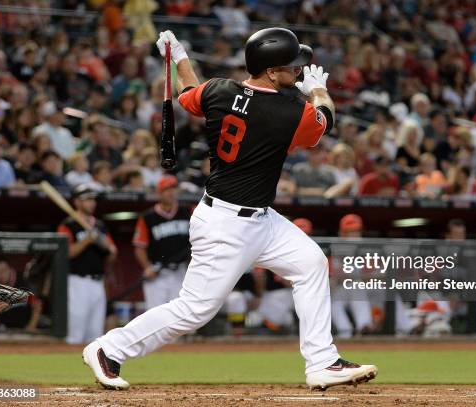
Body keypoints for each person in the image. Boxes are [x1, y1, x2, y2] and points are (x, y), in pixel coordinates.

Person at [83, 27, 376, 391]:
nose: (299, 70)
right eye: (292, 66)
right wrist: (318, 90)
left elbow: (188, 91)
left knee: (311, 263)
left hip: (259, 218)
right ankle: (108, 348)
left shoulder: (220, 90)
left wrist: (180, 57)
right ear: (271, 71)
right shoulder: (289, 111)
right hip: (226, 226)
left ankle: (322, 362)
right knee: (194, 310)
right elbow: (325, 122)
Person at [57, 184, 117, 344]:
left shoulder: (100, 226)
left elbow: (112, 255)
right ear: (77, 202)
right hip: (77, 282)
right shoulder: (68, 224)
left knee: (95, 335)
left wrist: (104, 245)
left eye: (93, 199)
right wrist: (87, 240)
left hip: (98, 283)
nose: (92, 203)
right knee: (75, 333)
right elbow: (65, 254)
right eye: (87, 199)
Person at [132, 175, 190, 310]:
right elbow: (139, 247)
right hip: (157, 272)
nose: (170, 193)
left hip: (180, 271)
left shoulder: (186, 212)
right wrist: (147, 267)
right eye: (166, 190)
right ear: (159, 193)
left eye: (173, 189)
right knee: (155, 315)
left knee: (180, 316)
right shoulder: (148, 217)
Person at [0, 258, 42, 332]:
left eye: (3, 271)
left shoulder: (23, 283)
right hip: (2, 330)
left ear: (10, 270)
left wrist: (30, 328)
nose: (0, 275)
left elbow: (37, 306)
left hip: (24, 328)